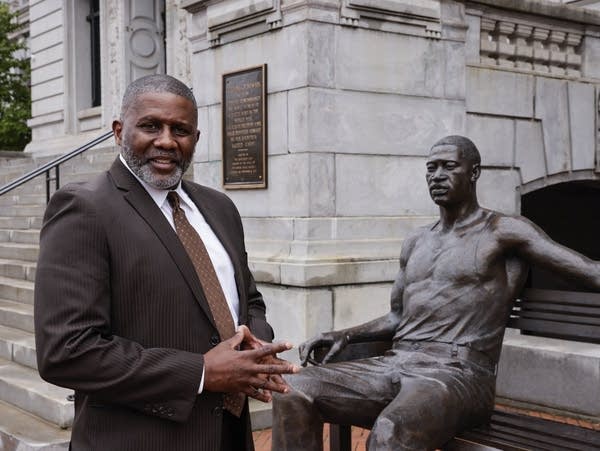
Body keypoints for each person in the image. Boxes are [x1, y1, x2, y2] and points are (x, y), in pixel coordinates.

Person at [271, 135, 600, 450]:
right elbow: (398, 316)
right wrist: (345, 334)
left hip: (459, 375)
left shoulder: (503, 231)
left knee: (391, 431)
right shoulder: (417, 241)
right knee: (293, 389)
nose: (437, 176)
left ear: (474, 173)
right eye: (431, 168)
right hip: (397, 363)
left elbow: (588, 271)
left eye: (448, 167)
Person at [34, 74, 298, 451]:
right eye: (150, 126)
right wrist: (202, 373)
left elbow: (249, 299)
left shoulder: (219, 207)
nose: (166, 141)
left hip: (229, 434)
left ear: (196, 139)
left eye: (181, 130)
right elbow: (67, 351)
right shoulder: (84, 209)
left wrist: (255, 347)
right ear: (119, 130)